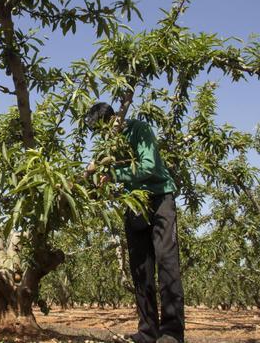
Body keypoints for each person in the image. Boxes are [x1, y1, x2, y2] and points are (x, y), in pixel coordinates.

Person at [85, 102, 185, 343]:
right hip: (134, 203)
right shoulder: (108, 146)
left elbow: (149, 166)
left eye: (102, 129)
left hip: (159, 197)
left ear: (112, 121)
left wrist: (113, 175)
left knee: (167, 261)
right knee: (140, 268)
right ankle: (147, 332)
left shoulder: (139, 129)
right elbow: (102, 176)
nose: (102, 136)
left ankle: (172, 332)